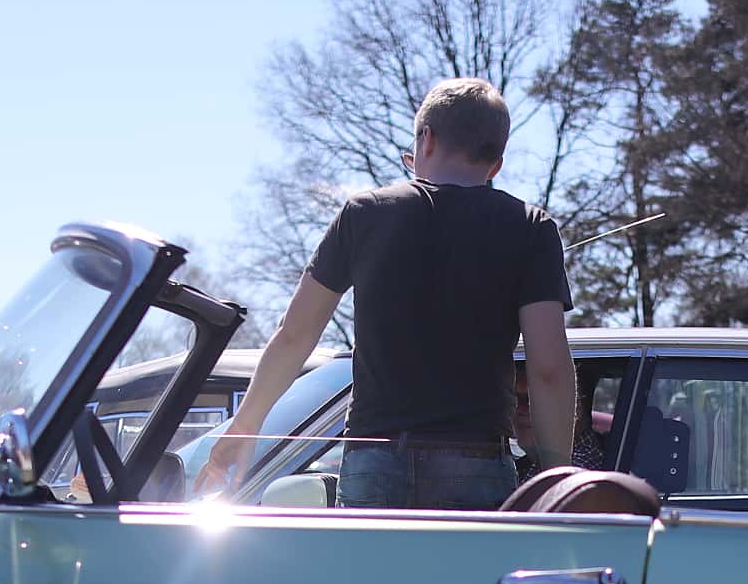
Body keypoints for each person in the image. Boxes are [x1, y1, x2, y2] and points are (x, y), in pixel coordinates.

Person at [213, 78, 578, 509]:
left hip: (375, 457)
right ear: (496, 164)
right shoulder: (531, 228)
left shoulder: (364, 214)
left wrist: (244, 427)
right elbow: (549, 369)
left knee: (373, 559)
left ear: (426, 139)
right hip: (476, 457)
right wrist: (557, 479)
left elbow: (294, 336)